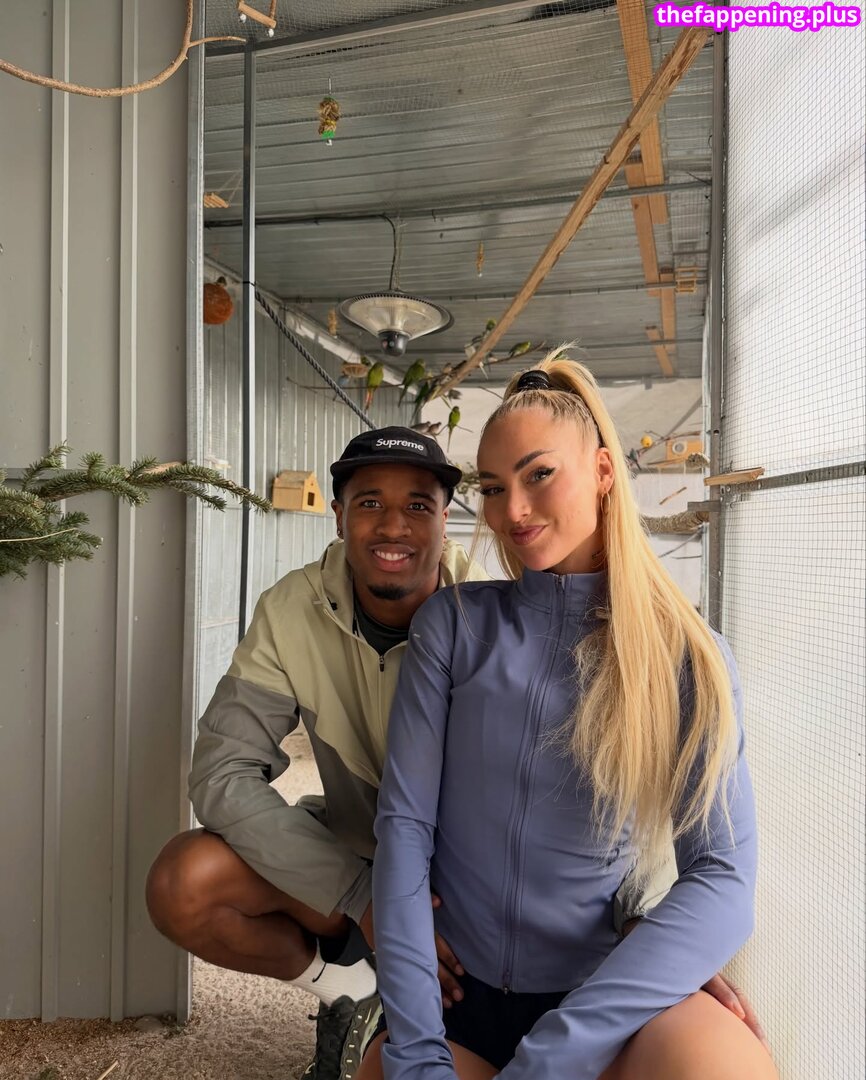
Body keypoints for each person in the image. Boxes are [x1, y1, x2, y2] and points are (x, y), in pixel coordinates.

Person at [362, 357, 778, 1080]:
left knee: (728, 1065)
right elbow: (403, 831)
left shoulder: (686, 654)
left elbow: (722, 878)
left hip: (596, 1006)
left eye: (539, 475)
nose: (512, 511)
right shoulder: (454, 625)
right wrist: (417, 1050)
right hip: (456, 1001)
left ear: (604, 471)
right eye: (494, 488)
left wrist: (553, 1055)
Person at [146, 427, 487, 1080]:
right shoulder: (290, 609)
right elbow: (222, 772)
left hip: (464, 881)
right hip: (353, 857)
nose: (393, 526)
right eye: (369, 502)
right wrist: (364, 896)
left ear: (446, 520)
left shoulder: (490, 612)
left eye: (418, 505)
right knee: (183, 883)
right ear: (338, 516)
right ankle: (349, 988)